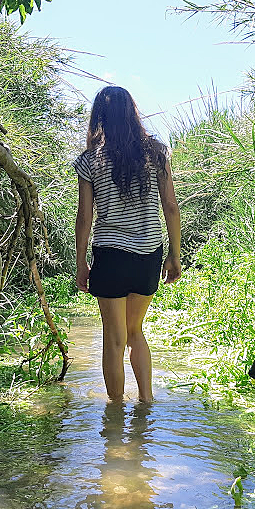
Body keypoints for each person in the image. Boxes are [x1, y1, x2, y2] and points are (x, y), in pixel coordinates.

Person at [73, 86, 181, 403]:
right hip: (148, 255)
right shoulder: (156, 153)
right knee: (136, 332)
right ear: (132, 113)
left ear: (101, 117)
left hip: (110, 256)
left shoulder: (90, 161)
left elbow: (84, 217)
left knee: (114, 339)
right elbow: (171, 208)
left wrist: (81, 263)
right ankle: (147, 403)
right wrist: (175, 255)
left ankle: (116, 412)